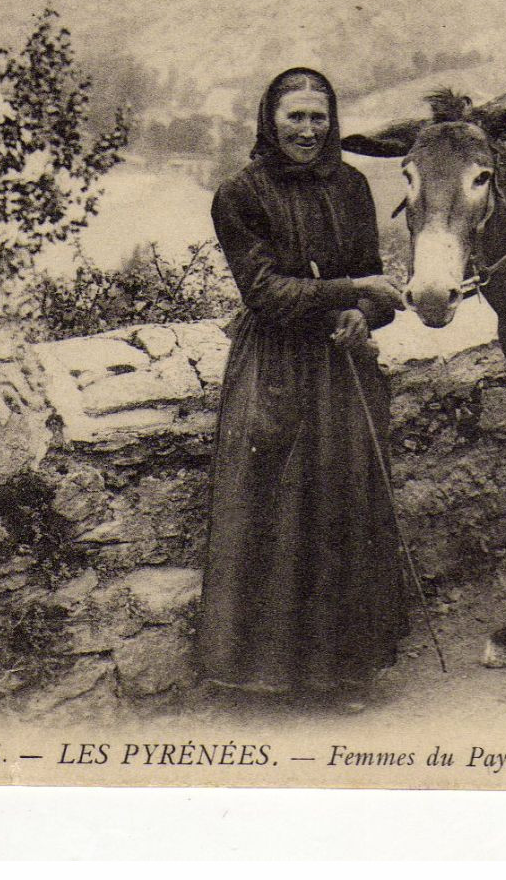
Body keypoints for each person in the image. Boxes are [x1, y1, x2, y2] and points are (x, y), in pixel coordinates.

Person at [198, 67, 409, 702]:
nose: (309, 130)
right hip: (277, 372)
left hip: (340, 373)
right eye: (296, 117)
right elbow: (264, 294)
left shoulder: (350, 186)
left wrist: (360, 313)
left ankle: (341, 673)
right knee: (277, 517)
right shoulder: (240, 195)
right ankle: (264, 680)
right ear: (271, 120)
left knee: (343, 515)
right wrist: (351, 292)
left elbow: (373, 285)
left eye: (319, 118)